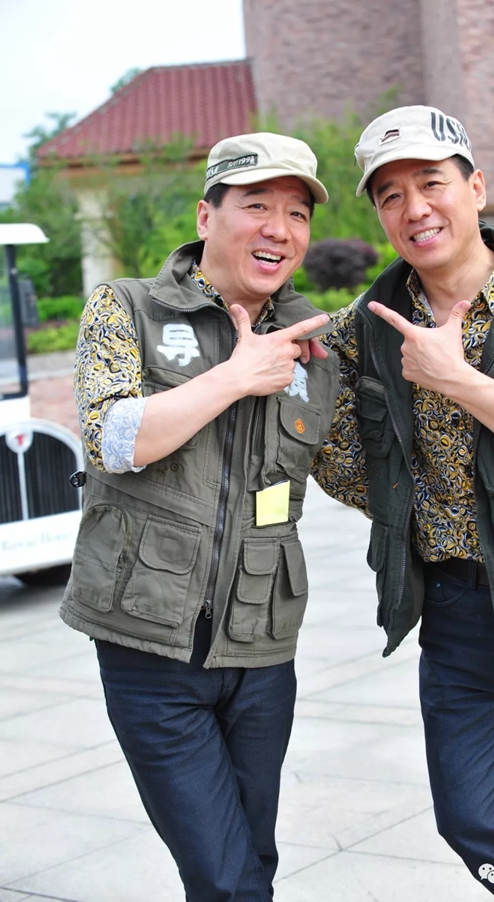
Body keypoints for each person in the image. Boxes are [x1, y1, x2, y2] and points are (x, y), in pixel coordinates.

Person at [312, 105, 494, 900]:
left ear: (476, 188)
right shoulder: (364, 329)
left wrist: (458, 381)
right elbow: (346, 465)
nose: (414, 208)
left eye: (431, 183)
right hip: (456, 608)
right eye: (391, 195)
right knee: (476, 816)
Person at [60, 132, 339, 902]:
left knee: (251, 862)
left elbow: (357, 471)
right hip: (149, 645)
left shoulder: (318, 345)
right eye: (257, 206)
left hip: (262, 646)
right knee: (224, 875)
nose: (279, 228)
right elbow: (115, 438)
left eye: (297, 213)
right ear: (206, 216)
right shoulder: (126, 308)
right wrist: (236, 376)